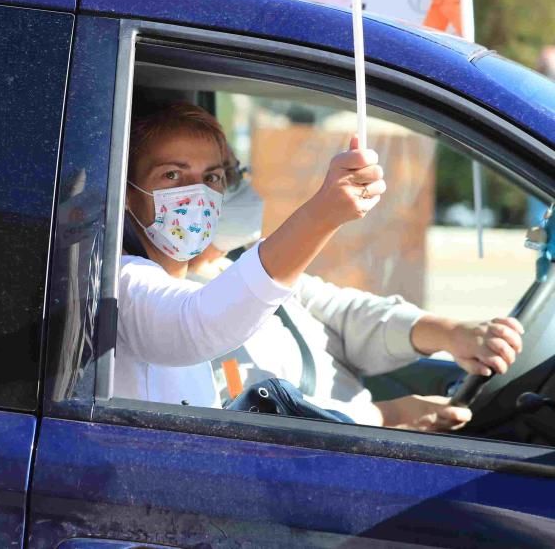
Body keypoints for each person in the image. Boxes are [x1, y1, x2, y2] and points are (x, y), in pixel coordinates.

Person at [187, 170, 524, 432]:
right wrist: (389, 416)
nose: (236, 186)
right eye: (178, 175)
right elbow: (252, 406)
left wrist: (451, 334)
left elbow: (345, 316)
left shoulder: (242, 264)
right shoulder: (181, 309)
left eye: (224, 173)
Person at [116, 102, 385, 408]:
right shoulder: (119, 284)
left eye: (212, 178)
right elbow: (196, 324)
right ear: (127, 193)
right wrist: (322, 214)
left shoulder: (189, 282)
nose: (197, 192)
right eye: (173, 175)